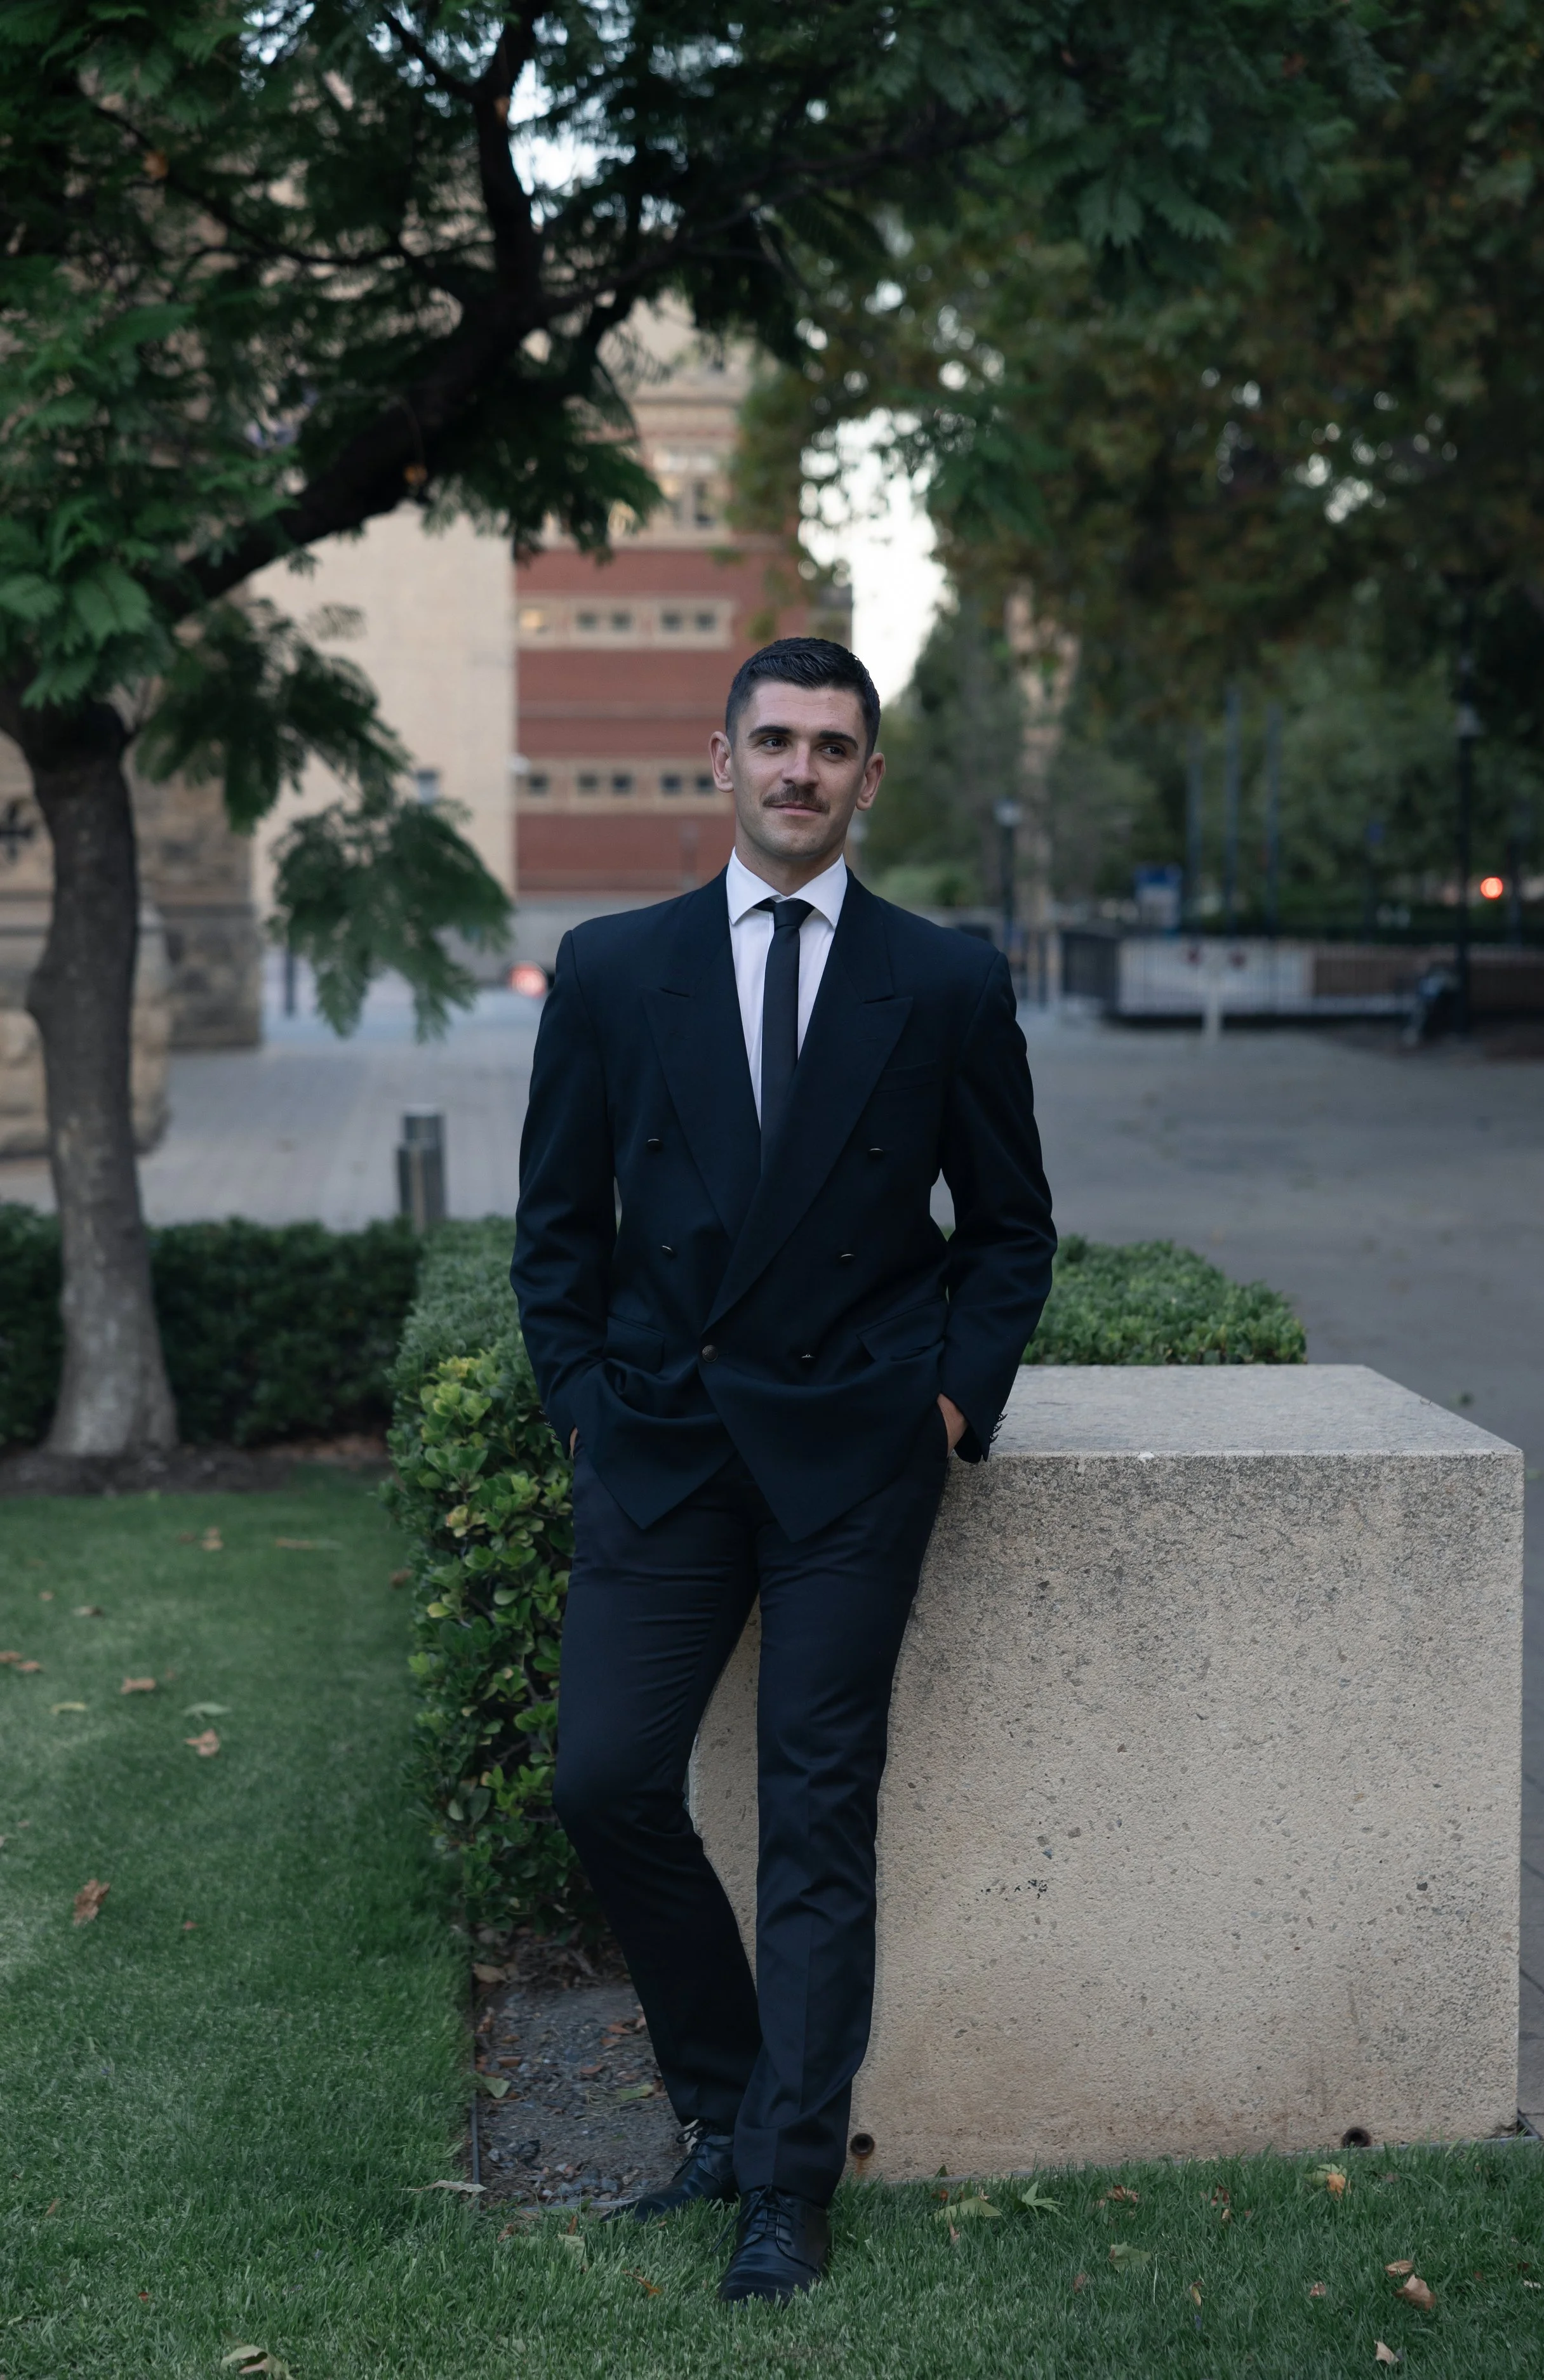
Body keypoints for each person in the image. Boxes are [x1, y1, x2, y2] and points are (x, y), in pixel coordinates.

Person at [513, 636, 1055, 2303]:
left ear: (869, 777)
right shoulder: (613, 969)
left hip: (852, 1456)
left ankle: (783, 2183)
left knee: (814, 1817)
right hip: (664, 1442)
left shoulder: (943, 980)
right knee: (605, 1779)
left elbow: (1010, 1228)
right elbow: (555, 1229)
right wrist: (586, 1406)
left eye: (831, 745)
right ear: (723, 759)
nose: (800, 769)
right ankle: (727, 2100)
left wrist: (949, 1407)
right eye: (775, 740)